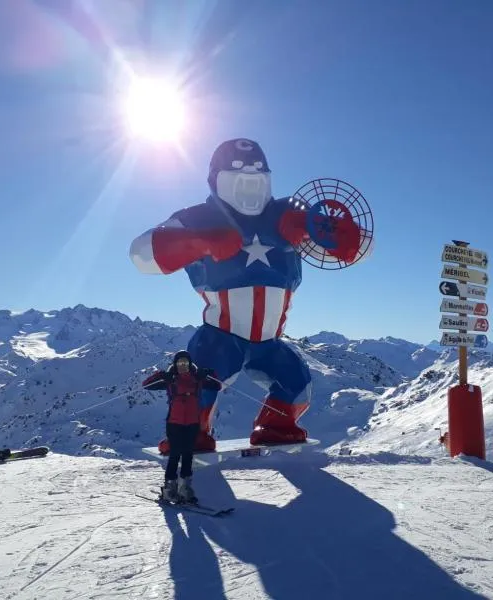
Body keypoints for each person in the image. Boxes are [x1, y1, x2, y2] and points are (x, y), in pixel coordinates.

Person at [130, 139, 365, 449]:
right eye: (237, 178)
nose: (248, 187)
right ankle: (193, 432)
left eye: (257, 179)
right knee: (200, 386)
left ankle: (276, 426)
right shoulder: (199, 217)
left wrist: (342, 237)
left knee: (297, 385)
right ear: (217, 180)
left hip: (270, 342)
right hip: (220, 337)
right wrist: (196, 241)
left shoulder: (289, 213)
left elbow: (352, 243)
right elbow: (140, 253)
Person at [142, 350, 221, 503]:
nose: (182, 365)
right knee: (174, 455)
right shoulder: (170, 379)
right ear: (175, 364)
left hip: (192, 424)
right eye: (180, 363)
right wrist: (161, 375)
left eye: (185, 362)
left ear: (190, 364)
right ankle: (169, 488)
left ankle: (184, 488)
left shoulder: (197, 379)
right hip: (174, 423)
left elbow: (216, 386)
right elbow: (146, 385)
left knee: (188, 455)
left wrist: (209, 373)